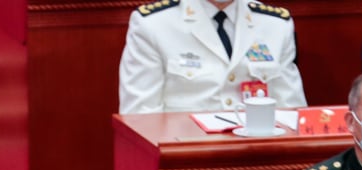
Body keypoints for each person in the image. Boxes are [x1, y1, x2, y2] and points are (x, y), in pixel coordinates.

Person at [118, 0, 306, 114]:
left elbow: (293, 112)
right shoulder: (153, 25)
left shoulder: (275, 24)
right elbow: (140, 119)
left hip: (259, 158)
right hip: (184, 162)